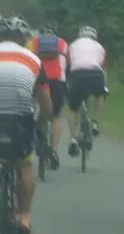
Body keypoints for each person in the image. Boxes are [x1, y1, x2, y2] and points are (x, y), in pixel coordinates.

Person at [0, 16, 52, 234]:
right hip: (19, 120)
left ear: (0, 37)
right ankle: (24, 221)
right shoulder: (35, 60)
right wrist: (42, 121)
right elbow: (45, 102)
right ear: (25, 39)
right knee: (25, 164)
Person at [64, 25, 108, 156]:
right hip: (95, 74)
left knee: (73, 108)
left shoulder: (72, 45)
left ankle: (72, 139)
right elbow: (102, 65)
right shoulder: (99, 47)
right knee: (101, 94)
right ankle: (95, 122)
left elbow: (68, 63)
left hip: (77, 75)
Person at [29, 22, 68, 169]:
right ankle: (54, 151)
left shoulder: (33, 42)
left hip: (37, 78)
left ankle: (36, 130)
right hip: (56, 80)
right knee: (56, 117)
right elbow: (66, 62)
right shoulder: (62, 43)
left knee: (32, 107)